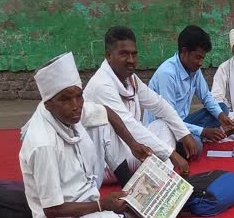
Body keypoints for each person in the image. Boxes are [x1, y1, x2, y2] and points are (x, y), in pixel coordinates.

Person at [20, 52, 154, 218]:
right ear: (48, 105)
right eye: (66, 99)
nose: (76, 106)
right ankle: (117, 208)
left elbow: (106, 112)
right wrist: (101, 205)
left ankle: (127, 190)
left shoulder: (70, 112)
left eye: (79, 96)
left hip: (89, 190)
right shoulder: (43, 144)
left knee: (101, 122)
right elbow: (52, 210)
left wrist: (133, 145)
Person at [83, 26, 197, 180]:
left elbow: (160, 105)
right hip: (108, 163)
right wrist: (172, 153)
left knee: (165, 125)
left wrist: (185, 134)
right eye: (124, 54)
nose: (131, 60)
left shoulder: (131, 78)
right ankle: (167, 179)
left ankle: (165, 178)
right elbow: (129, 126)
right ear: (109, 56)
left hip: (132, 150)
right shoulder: (102, 85)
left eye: (134, 54)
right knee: (166, 151)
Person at [146, 25, 234, 154]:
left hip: (183, 121)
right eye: (198, 57)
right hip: (164, 128)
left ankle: (195, 135)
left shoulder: (194, 69)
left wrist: (221, 117)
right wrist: (203, 131)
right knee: (197, 146)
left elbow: (205, 96)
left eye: (203, 58)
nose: (200, 63)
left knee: (222, 109)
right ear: (184, 52)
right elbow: (168, 118)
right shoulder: (167, 74)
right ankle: (193, 138)